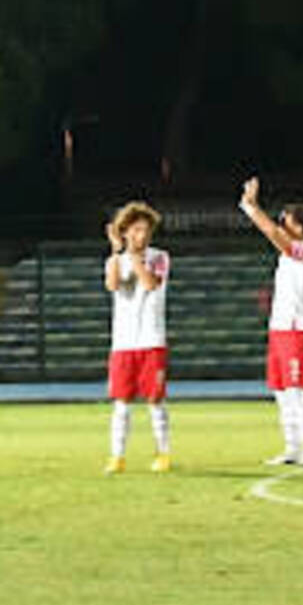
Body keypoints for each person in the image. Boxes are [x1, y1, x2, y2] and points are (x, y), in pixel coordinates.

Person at [238, 178, 303, 467]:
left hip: (296, 330)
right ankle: (292, 447)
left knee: (296, 389)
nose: (281, 221)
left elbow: (272, 232)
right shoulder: (291, 255)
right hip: (280, 329)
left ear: (299, 227)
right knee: (281, 390)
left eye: (287, 219)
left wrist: (250, 207)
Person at [103, 201, 172, 474]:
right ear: (125, 231)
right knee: (121, 403)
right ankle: (117, 456)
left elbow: (149, 283)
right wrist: (117, 254)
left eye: (145, 230)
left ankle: (163, 453)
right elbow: (112, 285)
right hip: (123, 343)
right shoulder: (115, 260)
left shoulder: (160, 257)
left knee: (155, 400)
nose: (141, 235)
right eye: (136, 230)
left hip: (152, 340)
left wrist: (131, 255)